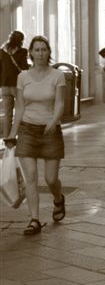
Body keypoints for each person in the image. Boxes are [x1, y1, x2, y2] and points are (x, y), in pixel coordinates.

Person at [7, 36, 66, 235]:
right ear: (31, 53)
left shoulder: (58, 75)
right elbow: (19, 107)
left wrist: (53, 121)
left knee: (51, 179)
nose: (40, 53)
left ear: (49, 52)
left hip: (50, 131)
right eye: (37, 50)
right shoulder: (23, 76)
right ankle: (34, 220)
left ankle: (58, 199)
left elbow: (60, 103)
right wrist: (12, 134)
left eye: (44, 49)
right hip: (27, 130)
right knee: (31, 177)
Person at [1, 30, 28, 138]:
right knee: (21, 111)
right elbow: (24, 68)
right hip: (17, 85)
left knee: (7, 115)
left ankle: (7, 138)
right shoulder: (22, 52)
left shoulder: (2, 51)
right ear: (21, 40)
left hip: (4, 86)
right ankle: (20, 136)